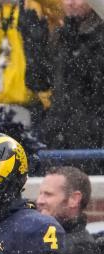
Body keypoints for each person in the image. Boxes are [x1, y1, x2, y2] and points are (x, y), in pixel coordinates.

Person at [39, 0, 104, 168]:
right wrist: (34, 47)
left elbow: (93, 85)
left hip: (94, 135)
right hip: (61, 132)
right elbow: (39, 82)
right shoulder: (59, 35)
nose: (71, 3)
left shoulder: (96, 35)